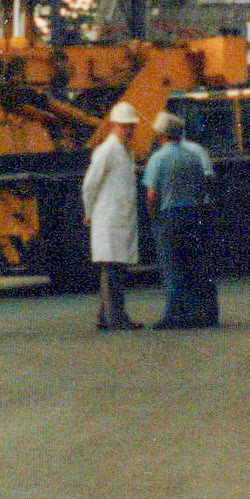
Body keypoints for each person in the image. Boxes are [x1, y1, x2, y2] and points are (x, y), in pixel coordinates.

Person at [142, 109, 216, 329]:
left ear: (161, 134)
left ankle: (174, 315)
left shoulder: (158, 159)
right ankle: (196, 312)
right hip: (193, 213)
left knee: (172, 266)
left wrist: (153, 216)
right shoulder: (192, 156)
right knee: (193, 264)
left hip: (169, 217)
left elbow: (152, 194)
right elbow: (203, 186)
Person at [81, 101, 142, 331]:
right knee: (112, 269)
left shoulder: (123, 150)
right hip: (109, 219)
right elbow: (89, 184)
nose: (129, 130)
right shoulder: (107, 150)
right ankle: (115, 319)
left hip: (117, 218)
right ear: (113, 126)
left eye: (131, 126)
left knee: (115, 269)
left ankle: (107, 317)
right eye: (124, 126)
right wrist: (89, 212)